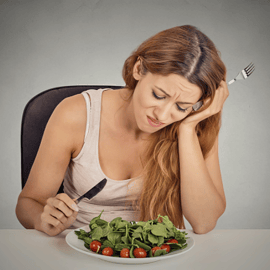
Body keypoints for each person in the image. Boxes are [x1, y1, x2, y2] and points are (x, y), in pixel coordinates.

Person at [16, 25, 228, 236]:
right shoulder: (76, 114)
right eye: (158, 95)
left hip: (153, 254)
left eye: (181, 106)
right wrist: (42, 218)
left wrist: (188, 129)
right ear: (138, 69)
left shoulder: (195, 124)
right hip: (79, 248)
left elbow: (204, 222)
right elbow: (28, 203)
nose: (162, 116)